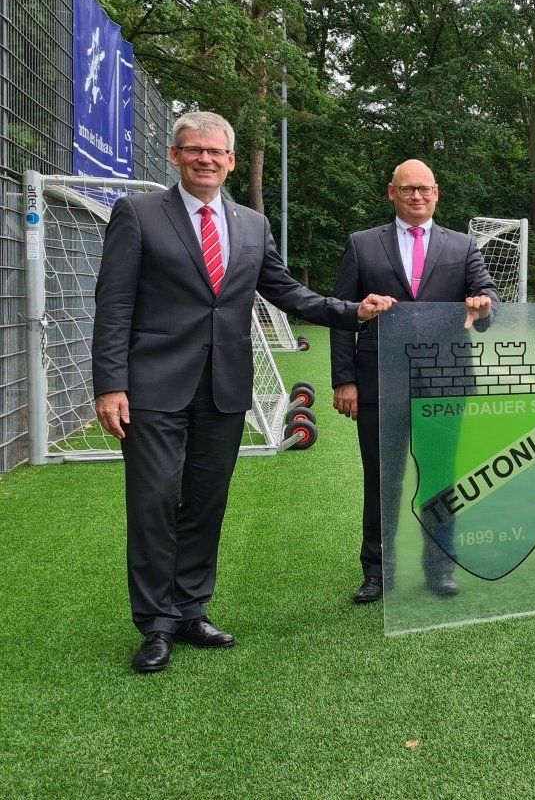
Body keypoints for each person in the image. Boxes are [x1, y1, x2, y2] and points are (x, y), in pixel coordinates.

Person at [92, 111, 396, 673]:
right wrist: (110, 384)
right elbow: (113, 304)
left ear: (231, 161)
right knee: (155, 501)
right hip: (153, 387)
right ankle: (155, 622)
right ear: (175, 156)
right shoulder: (138, 213)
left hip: (225, 388)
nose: (205, 159)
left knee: (205, 502)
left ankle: (190, 609)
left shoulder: (252, 225)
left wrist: (354, 310)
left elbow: (288, 292)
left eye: (216, 151)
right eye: (194, 149)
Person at [330, 159, 498, 604]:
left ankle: (440, 569)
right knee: (382, 479)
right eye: (408, 189)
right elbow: (341, 316)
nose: (417, 196)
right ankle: (377, 572)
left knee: (440, 478)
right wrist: (344, 380)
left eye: (425, 189)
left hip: (444, 382)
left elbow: (488, 298)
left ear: (437, 193)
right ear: (392, 193)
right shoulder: (362, 244)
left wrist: (484, 304)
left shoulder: (462, 246)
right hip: (378, 382)